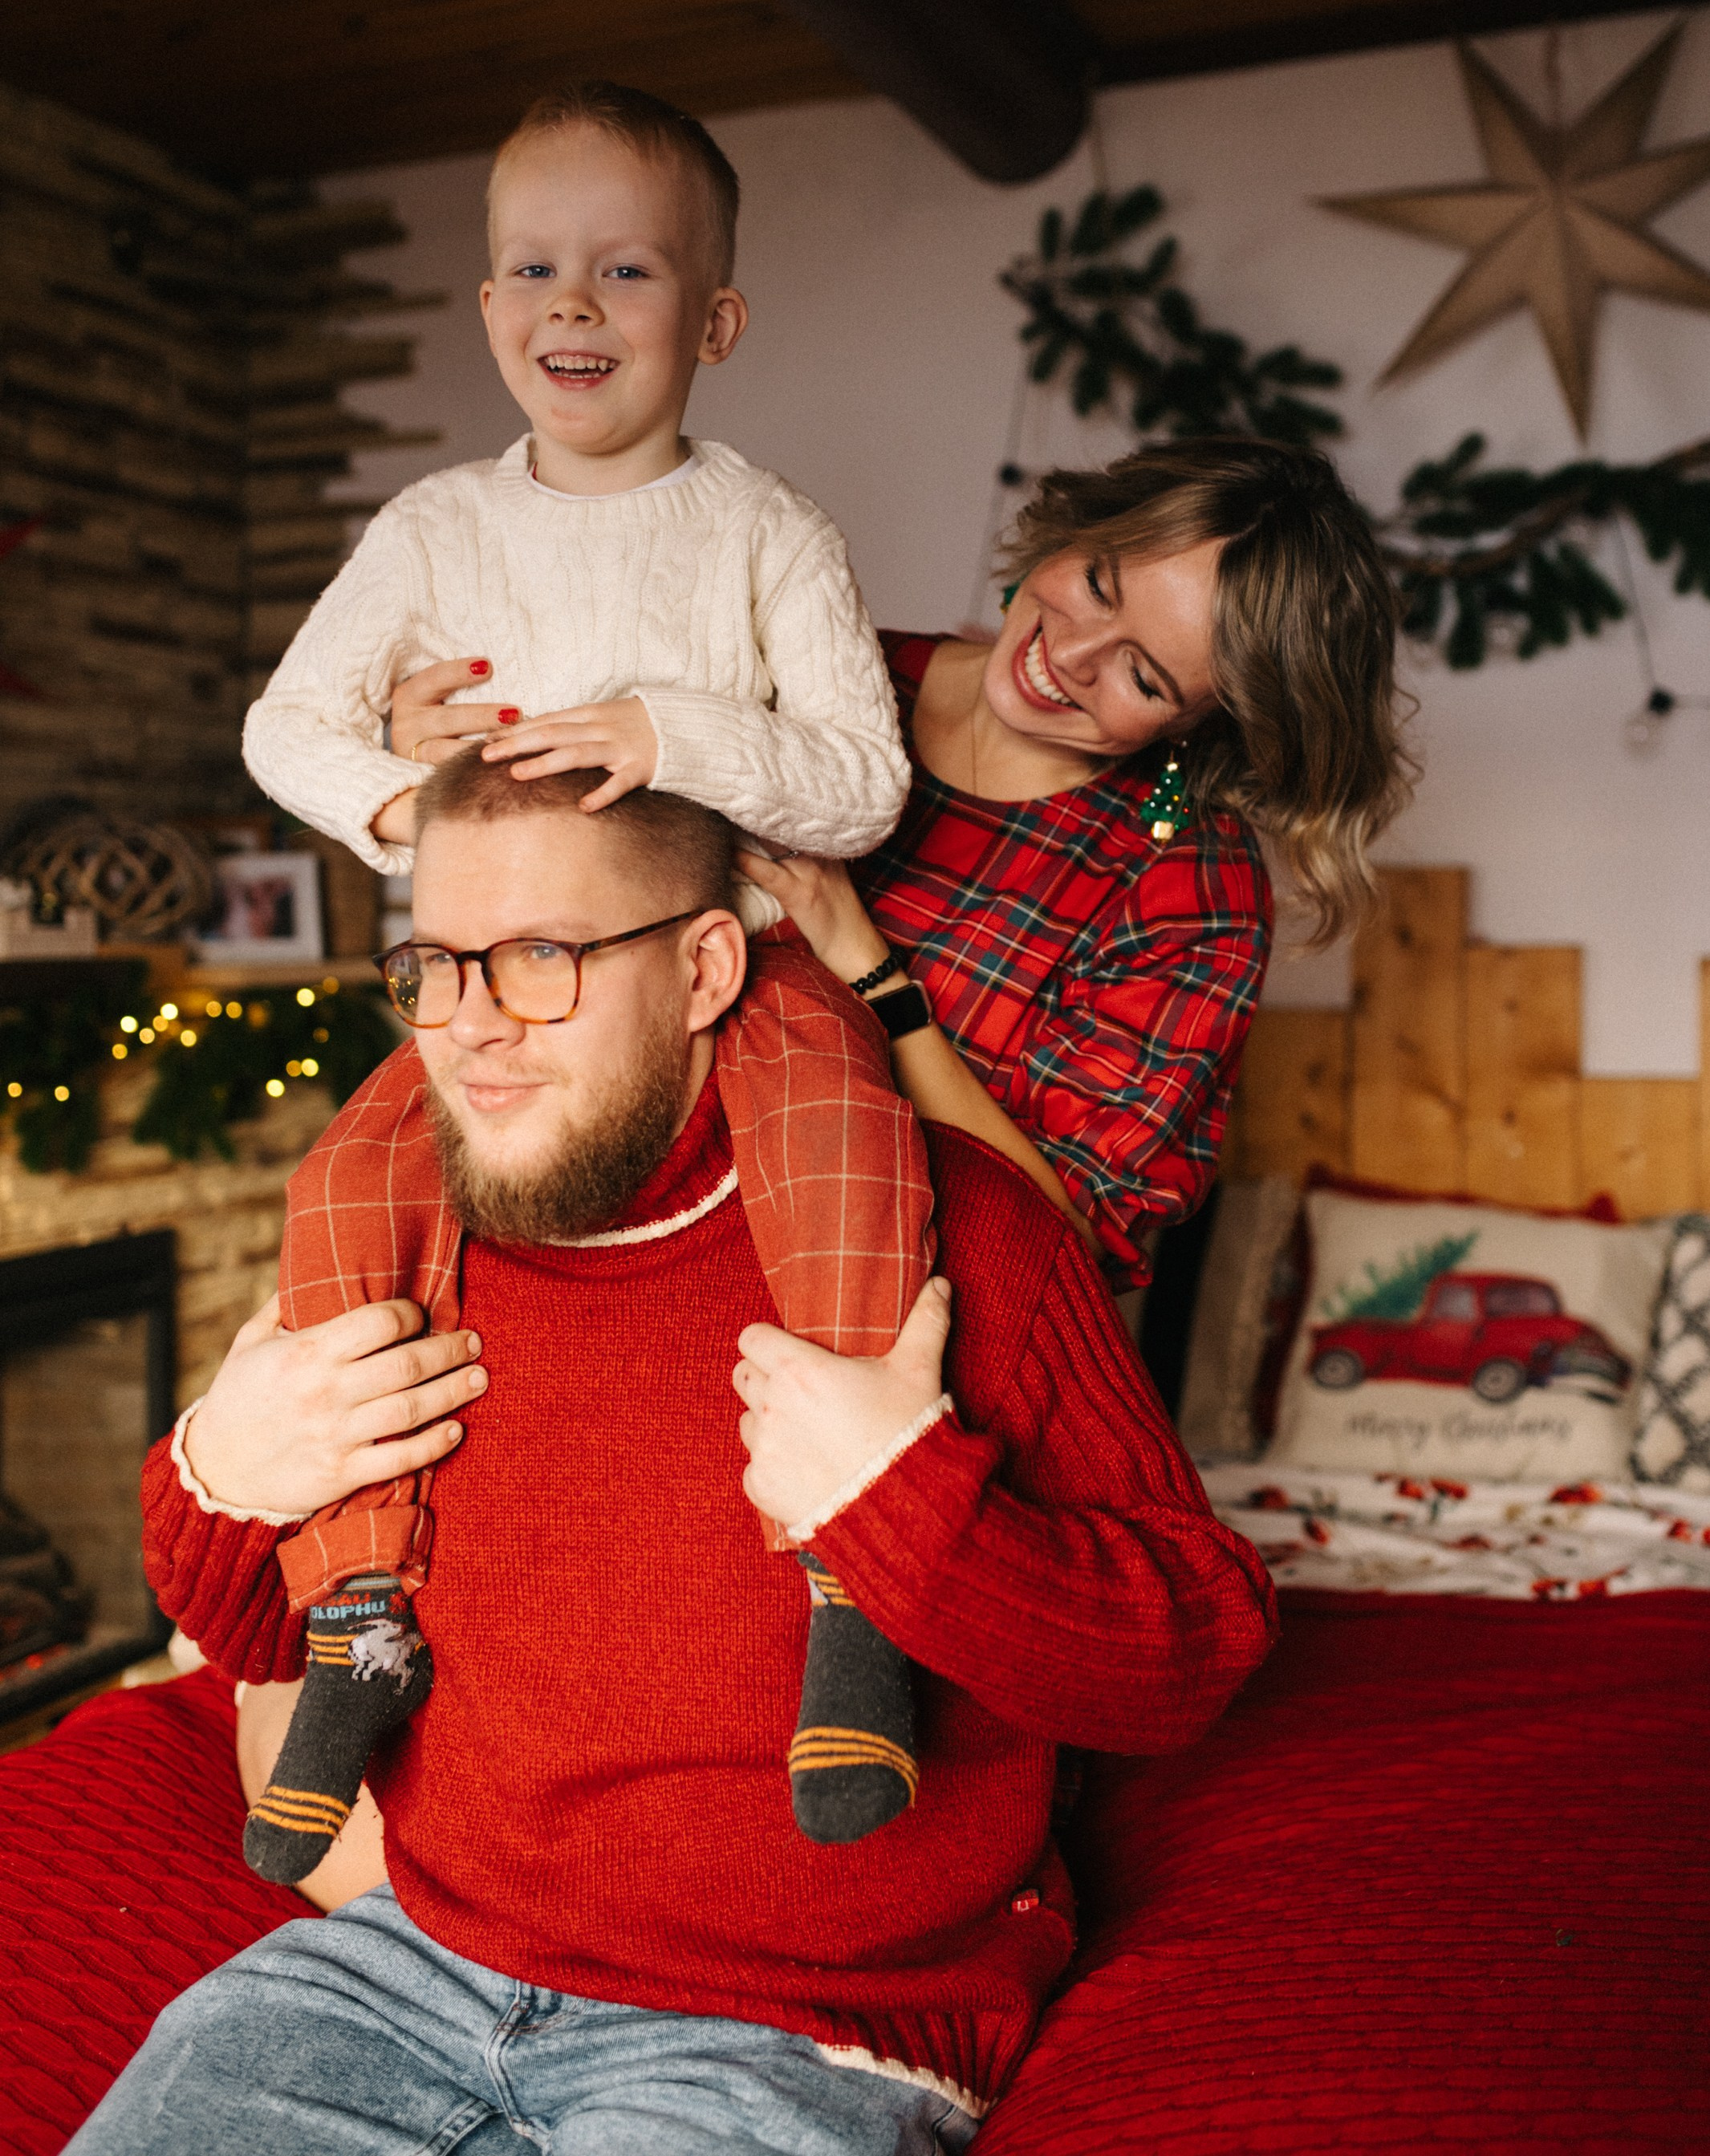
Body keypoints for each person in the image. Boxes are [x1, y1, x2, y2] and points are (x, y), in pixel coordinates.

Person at [80, 755, 1277, 2154]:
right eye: (436, 965)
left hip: (800, 2024)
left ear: (705, 967)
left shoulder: (958, 1232)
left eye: (541, 957)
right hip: (413, 1963)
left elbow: (1197, 1653)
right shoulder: (389, 1233)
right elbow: (248, 1636)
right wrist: (223, 1478)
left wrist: (906, 1509)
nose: (470, 1027)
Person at [236, 80, 936, 1877]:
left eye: (624, 270)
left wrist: (672, 732)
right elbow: (283, 727)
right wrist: (421, 805)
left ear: (715, 321)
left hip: (725, 957)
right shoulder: (434, 530)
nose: (572, 303)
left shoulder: (769, 532)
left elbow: (861, 781)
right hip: (490, 968)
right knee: (347, 1189)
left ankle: (853, 1586)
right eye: (534, 269)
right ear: (487, 308)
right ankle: (360, 1611)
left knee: (851, 1147)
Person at [733, 435, 1410, 1277]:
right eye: (1097, 585)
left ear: (1205, 724)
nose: (1072, 655)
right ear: (1077, 529)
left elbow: (1070, 1240)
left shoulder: (1189, 888)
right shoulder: (828, 678)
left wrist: (871, 973)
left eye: (1144, 677)